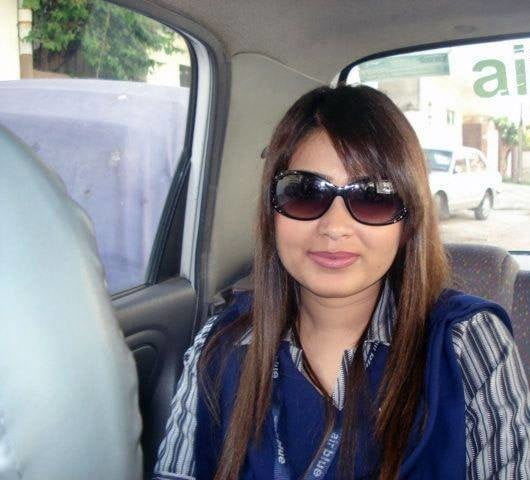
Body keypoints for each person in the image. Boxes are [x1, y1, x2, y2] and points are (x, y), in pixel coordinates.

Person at [152, 85, 530, 480]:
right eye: (304, 192)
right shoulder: (219, 342)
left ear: (408, 220)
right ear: (272, 212)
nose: (334, 227)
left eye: (373, 197)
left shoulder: (466, 343)